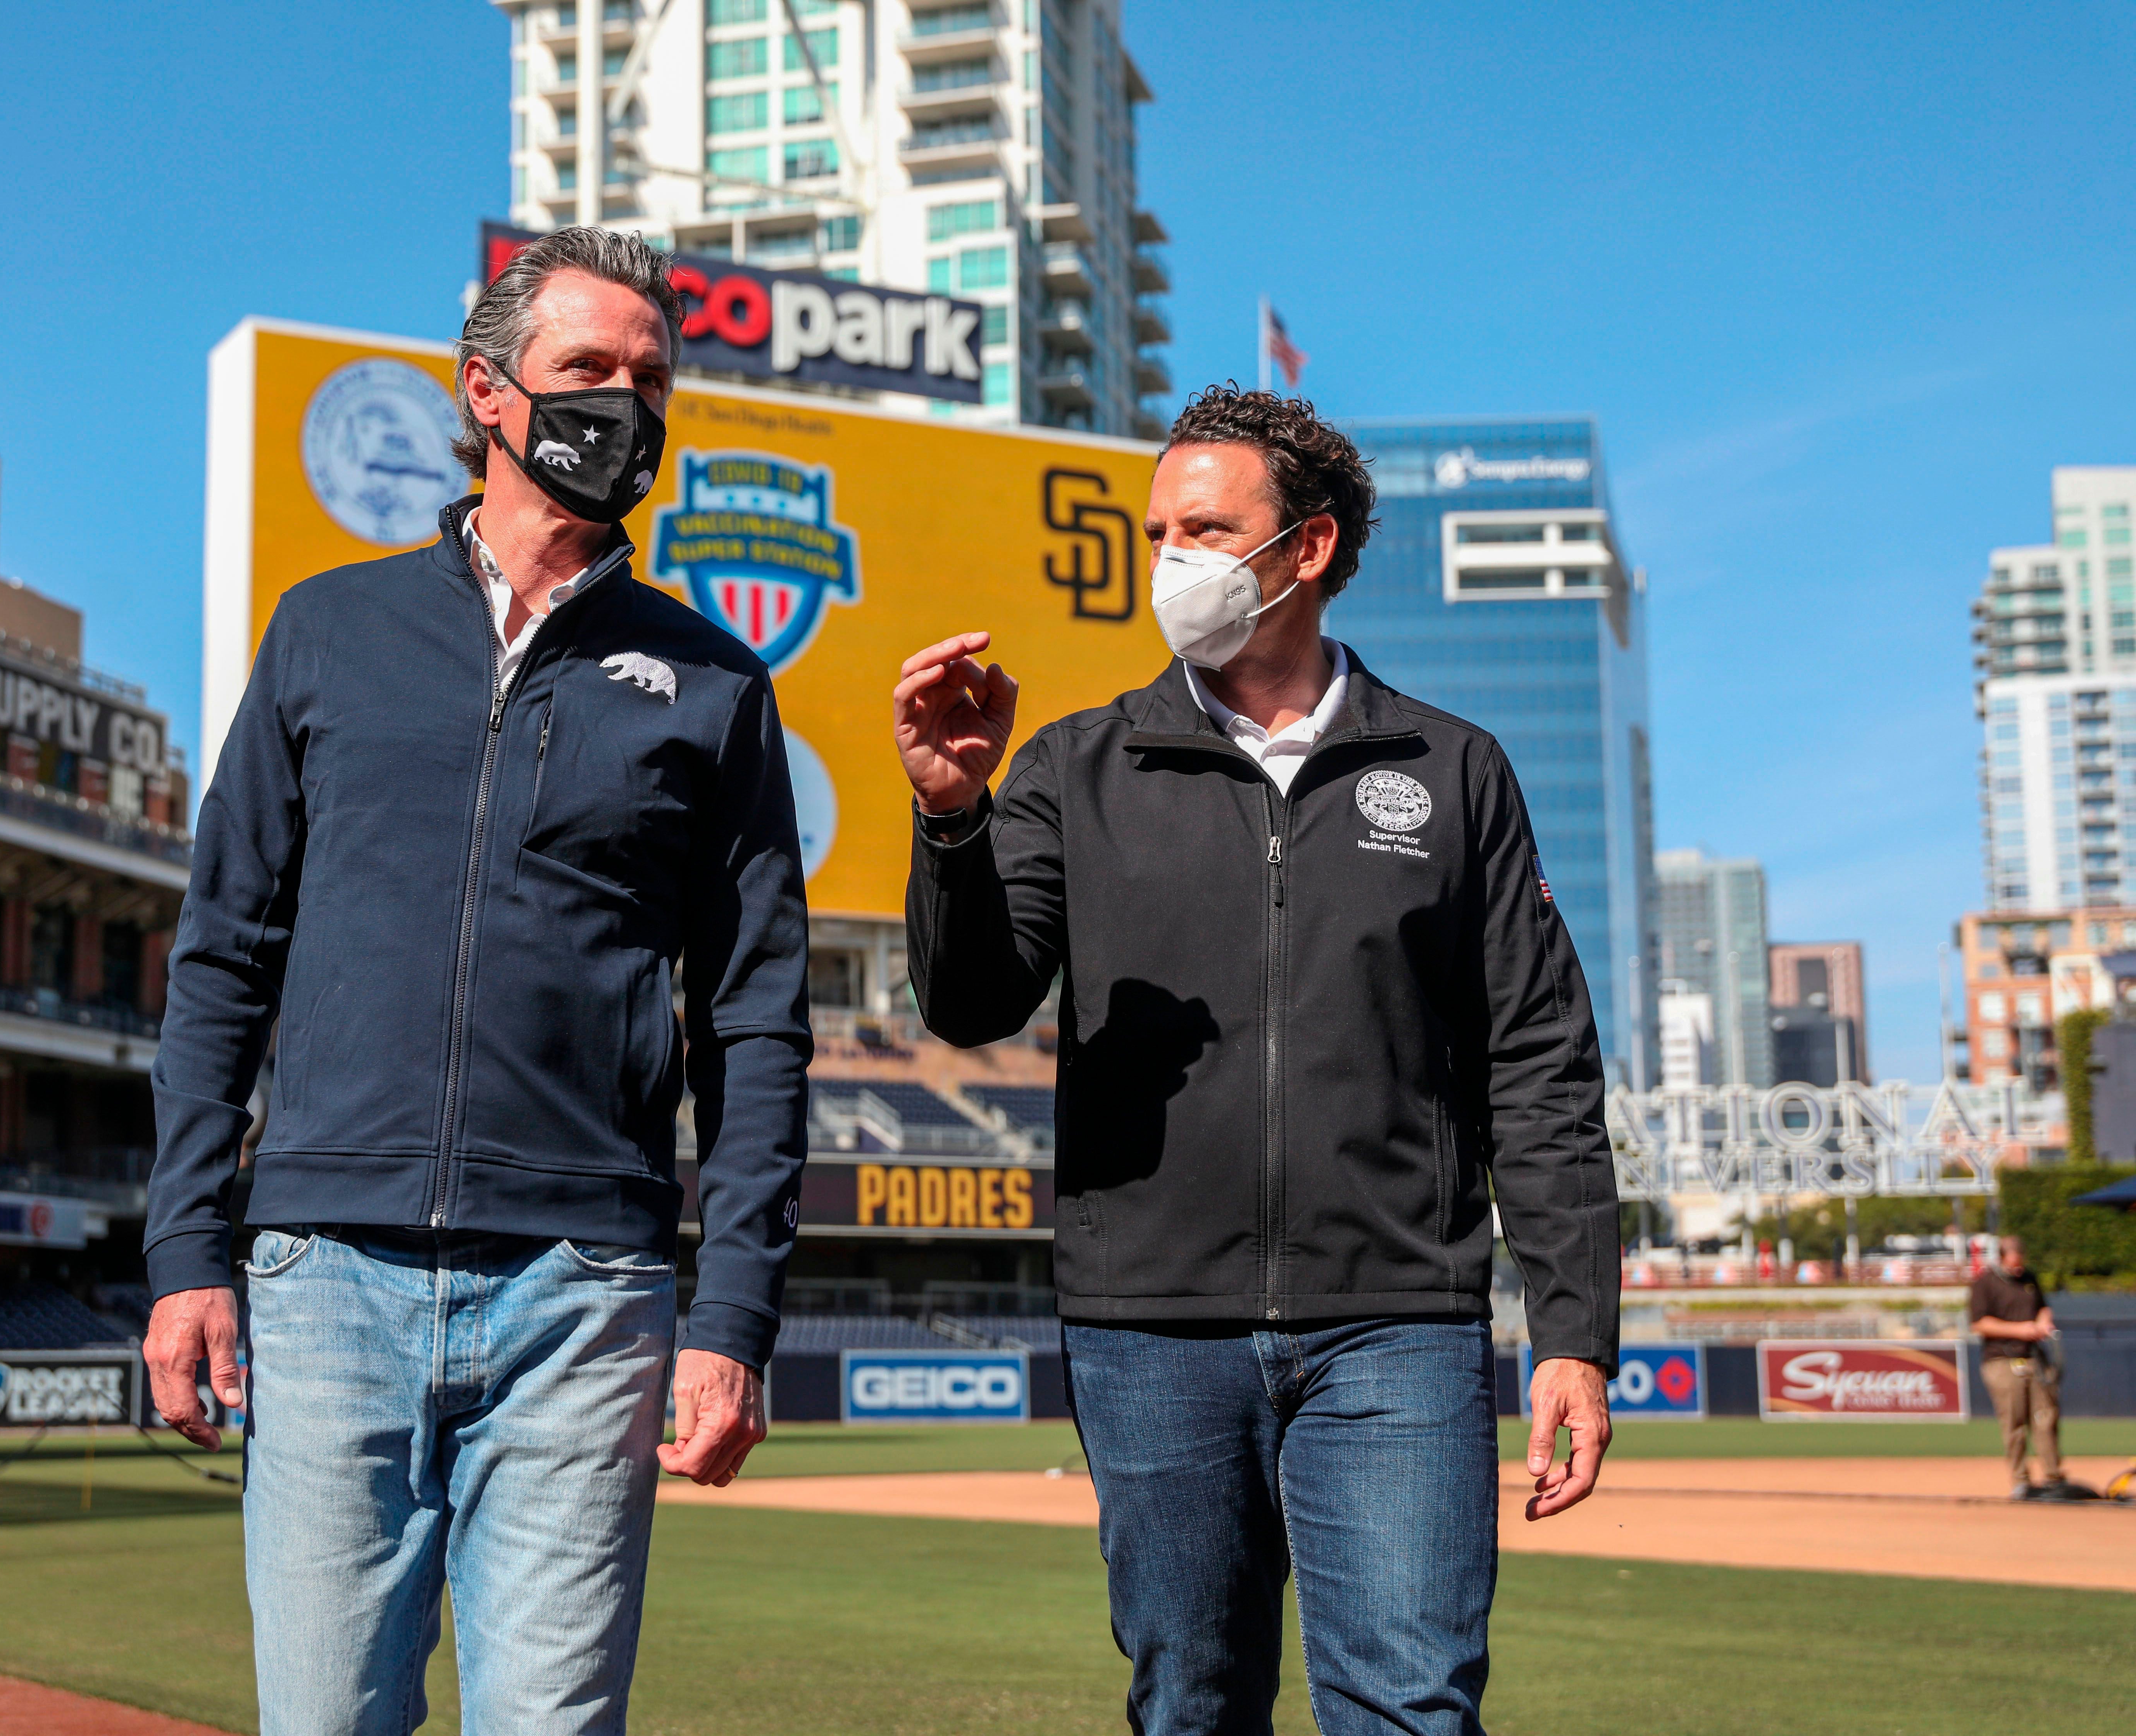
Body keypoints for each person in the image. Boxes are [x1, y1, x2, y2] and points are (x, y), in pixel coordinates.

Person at [141, 226, 812, 1734]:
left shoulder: (716, 686)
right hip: (322, 1278)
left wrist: (738, 1313)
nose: (625, 405)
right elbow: (221, 958)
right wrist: (189, 1252)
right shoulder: (326, 629)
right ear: (489, 394)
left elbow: (758, 1019)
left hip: (590, 1290)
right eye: (589, 371)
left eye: (653, 379)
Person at [893, 386, 1621, 1736]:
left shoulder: (1453, 771)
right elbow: (971, 1003)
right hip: (1150, 1328)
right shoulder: (1075, 766)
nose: (1172, 558)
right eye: (1158, 528)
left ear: (1311, 549)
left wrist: (1575, 1333)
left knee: (1411, 1705)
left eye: (1207, 527)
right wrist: (952, 819)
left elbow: (1540, 1064)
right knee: (1192, 1706)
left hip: (1399, 1319)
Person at [1971, 1233, 2063, 1499]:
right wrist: (2020, 1330)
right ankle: (2021, 1480)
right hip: (2002, 1359)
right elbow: (1979, 1324)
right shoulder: (1985, 1283)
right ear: (2001, 1259)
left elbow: (2044, 1308)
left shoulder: (2029, 1279)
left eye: (2021, 1263)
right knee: (2015, 1422)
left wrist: (2044, 1323)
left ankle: (2053, 1476)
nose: (2018, 1269)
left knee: (2046, 1416)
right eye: (2013, 1264)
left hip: (2034, 1358)